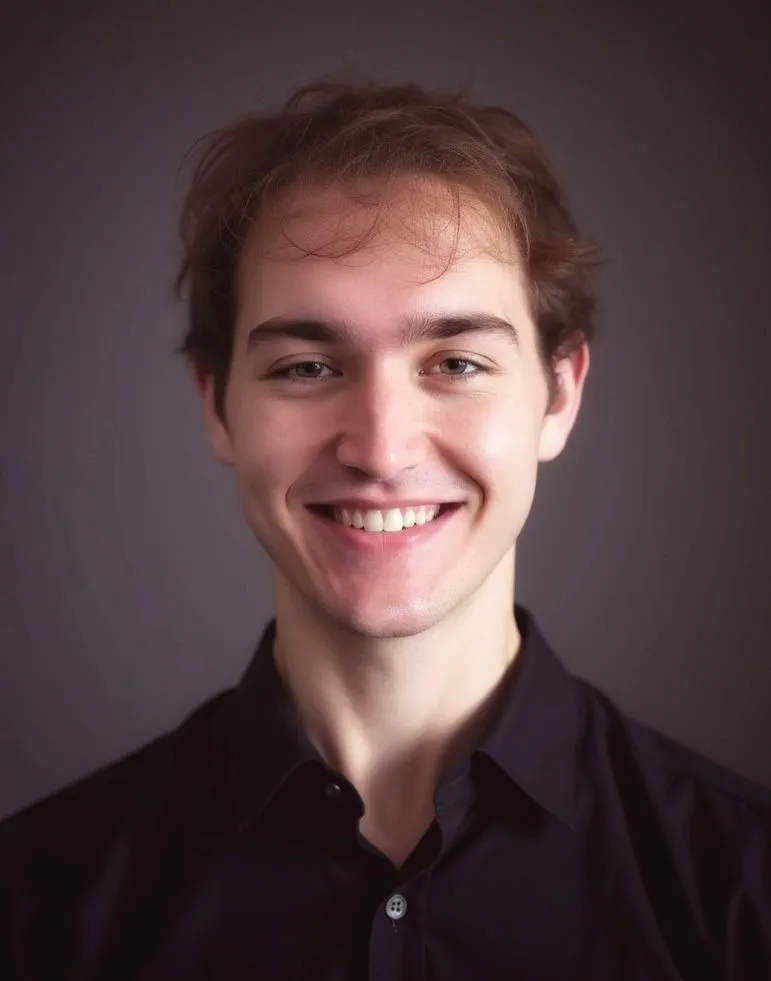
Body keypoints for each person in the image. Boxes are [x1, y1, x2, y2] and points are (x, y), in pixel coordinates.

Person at [1, 76, 769, 981]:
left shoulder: (744, 894)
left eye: (455, 362)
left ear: (559, 394)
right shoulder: (34, 906)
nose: (379, 447)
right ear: (217, 404)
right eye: (307, 366)